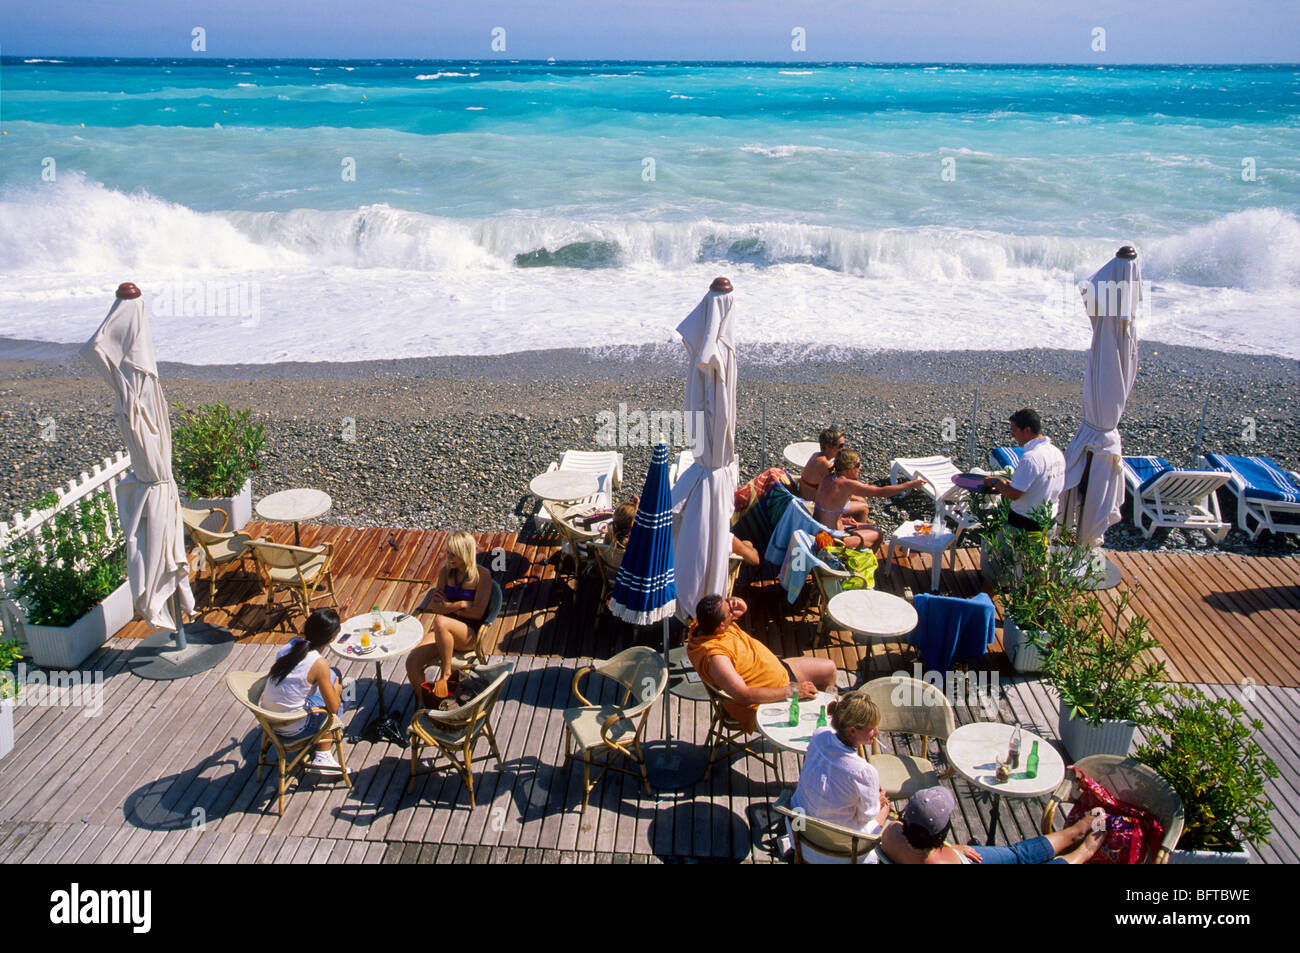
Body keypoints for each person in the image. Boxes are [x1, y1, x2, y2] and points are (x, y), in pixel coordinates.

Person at [686, 594, 836, 733]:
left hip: (781, 672)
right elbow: (744, 695)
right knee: (812, 714)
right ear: (720, 627)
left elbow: (720, 609)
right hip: (766, 703)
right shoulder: (716, 658)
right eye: (729, 613)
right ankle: (820, 736)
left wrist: (737, 603)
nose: (733, 613)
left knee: (829, 669)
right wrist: (792, 690)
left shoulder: (703, 621)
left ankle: (825, 718)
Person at [876, 786, 1105, 864]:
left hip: (953, 854)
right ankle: (1084, 850)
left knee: (1017, 855)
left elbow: (921, 845)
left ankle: (1075, 831)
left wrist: (953, 848)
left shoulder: (891, 834)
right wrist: (952, 850)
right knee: (1019, 855)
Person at [790, 692, 893, 863]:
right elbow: (866, 816)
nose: (877, 731)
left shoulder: (818, 736)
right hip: (837, 853)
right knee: (885, 808)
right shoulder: (864, 772)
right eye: (872, 727)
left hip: (802, 837)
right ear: (852, 730)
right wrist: (879, 801)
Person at [407, 531, 491, 702]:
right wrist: (458, 605)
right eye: (448, 552)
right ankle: (428, 704)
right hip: (443, 629)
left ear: (465, 553)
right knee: (412, 662)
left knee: (441, 622)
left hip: (469, 634)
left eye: (454, 554)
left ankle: (445, 674)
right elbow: (436, 606)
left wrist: (447, 609)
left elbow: (477, 613)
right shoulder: (446, 572)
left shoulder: (482, 576)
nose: (449, 557)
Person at [260, 608, 347, 772]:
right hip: (294, 728)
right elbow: (333, 708)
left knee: (335, 673)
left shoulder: (290, 646)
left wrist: (335, 623)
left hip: (269, 720)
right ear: (332, 638)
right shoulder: (318, 663)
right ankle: (323, 755)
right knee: (339, 700)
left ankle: (345, 695)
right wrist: (336, 690)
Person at [813, 450, 925, 549]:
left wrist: (843, 520)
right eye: (858, 464)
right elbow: (882, 492)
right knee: (878, 535)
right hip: (833, 539)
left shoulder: (828, 478)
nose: (860, 467)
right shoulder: (847, 484)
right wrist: (910, 484)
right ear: (848, 468)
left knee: (870, 527)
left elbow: (827, 509)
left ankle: (863, 549)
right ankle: (866, 566)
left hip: (818, 529)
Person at [983, 408, 1066, 532]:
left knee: (992, 550)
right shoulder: (1056, 452)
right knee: (1042, 552)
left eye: (1014, 430)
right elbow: (1039, 485)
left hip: (1025, 526)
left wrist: (996, 483)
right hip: (1048, 520)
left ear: (1027, 430)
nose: (1012, 435)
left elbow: (1014, 494)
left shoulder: (1031, 458)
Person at [799, 427, 846, 501]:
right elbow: (840, 486)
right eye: (841, 446)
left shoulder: (816, 455)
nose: (843, 448)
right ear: (829, 446)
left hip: (803, 498)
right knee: (863, 506)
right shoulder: (824, 463)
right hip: (811, 506)